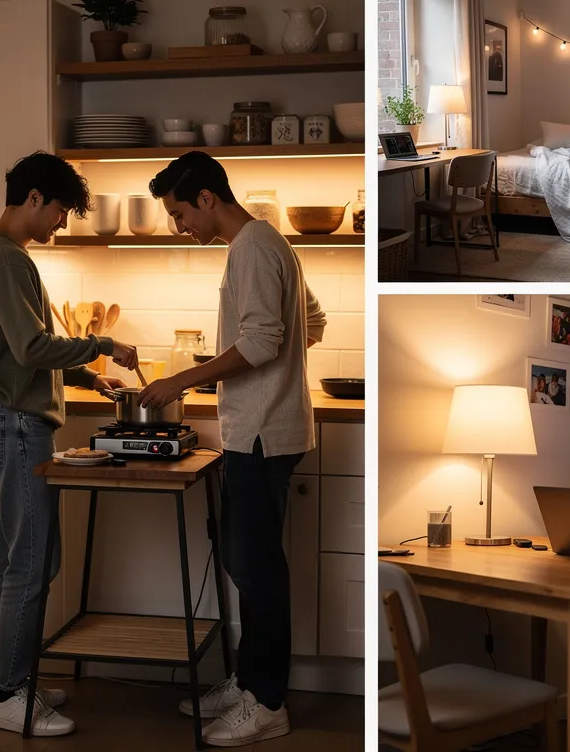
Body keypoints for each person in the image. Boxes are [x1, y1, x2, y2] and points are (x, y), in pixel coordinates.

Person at [136, 151, 327, 748]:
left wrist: (181, 382)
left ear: (207, 199)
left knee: (257, 569)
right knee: (249, 563)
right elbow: (311, 321)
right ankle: (249, 683)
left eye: (178, 212)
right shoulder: (269, 243)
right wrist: (278, 363)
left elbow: (264, 340)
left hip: (263, 432)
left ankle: (267, 702)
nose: (177, 225)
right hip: (268, 425)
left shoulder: (249, 247)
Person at [0, 151, 140, 737]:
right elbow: (31, 350)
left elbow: (29, 350)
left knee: (8, 557)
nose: (60, 225)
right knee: (34, 561)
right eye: (61, 211)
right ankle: (12, 693)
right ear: (34, 198)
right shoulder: (8, 262)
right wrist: (102, 347)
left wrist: (87, 377)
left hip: (5, 417)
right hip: (17, 424)